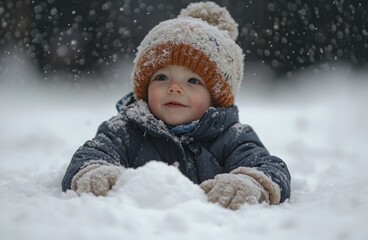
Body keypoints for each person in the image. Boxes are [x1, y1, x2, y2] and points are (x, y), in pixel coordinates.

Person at [62, 1, 291, 210]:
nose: (174, 88)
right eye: (162, 78)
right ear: (144, 88)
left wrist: (249, 183)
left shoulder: (231, 137)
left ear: (216, 97)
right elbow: (90, 156)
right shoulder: (124, 130)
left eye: (192, 81)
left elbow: (269, 168)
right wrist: (96, 173)